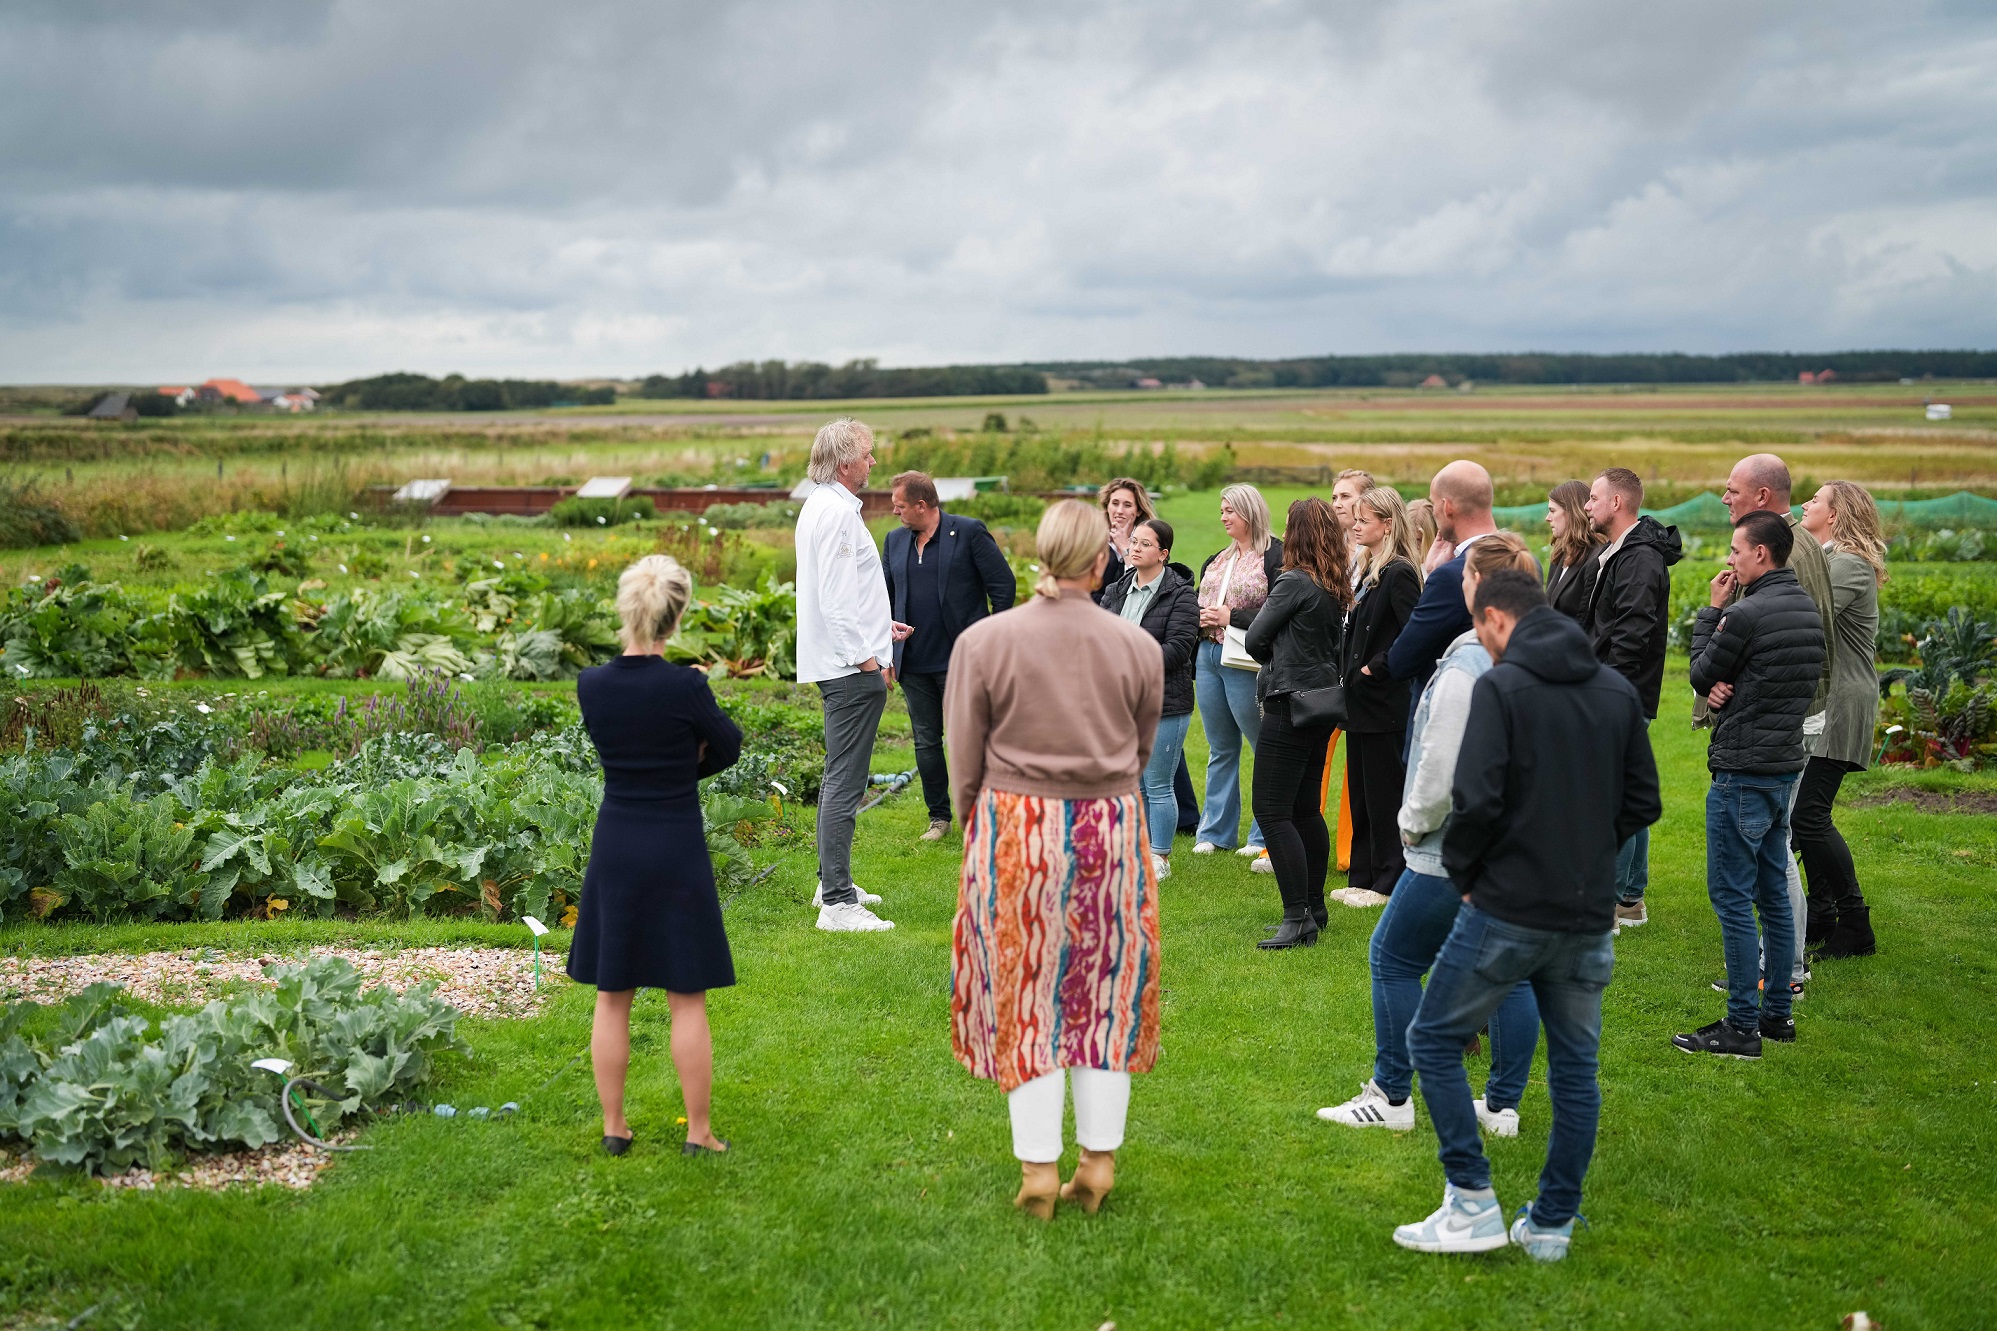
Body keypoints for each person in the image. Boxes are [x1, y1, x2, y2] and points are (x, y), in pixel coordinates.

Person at [1393, 568, 1660, 1262]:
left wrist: (1468, 875)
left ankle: (1471, 1201)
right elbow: (1641, 802)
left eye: (1482, 632)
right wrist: (1588, 849)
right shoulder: (1614, 689)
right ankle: (1550, 1224)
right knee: (1575, 1070)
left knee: (1430, 1038)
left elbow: (1474, 800)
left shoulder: (1502, 687)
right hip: (1585, 910)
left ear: (1494, 621)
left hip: (1506, 905)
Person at [946, 500, 1165, 1220]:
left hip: (1017, 826)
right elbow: (1139, 749)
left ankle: (1039, 1169)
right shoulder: (1135, 645)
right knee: (1106, 989)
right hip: (1110, 825)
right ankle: (1097, 1161)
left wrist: (977, 813)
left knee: (1024, 988)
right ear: (1100, 561)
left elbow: (964, 758)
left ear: (1038, 555)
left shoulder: (984, 640)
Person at [1318, 536, 1544, 1139]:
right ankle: (1501, 1108)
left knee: (1391, 957)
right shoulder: (1537, 653)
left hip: (1454, 850)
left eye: (1462, 571)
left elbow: (1440, 770)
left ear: (1478, 586)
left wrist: (1410, 824)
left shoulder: (1468, 663)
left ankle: (1391, 1095)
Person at [569, 555, 743, 1157]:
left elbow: (621, 744)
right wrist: (687, 758)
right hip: (674, 841)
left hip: (617, 839)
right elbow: (728, 747)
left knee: (612, 993)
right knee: (685, 993)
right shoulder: (687, 686)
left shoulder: (592, 685)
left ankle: (614, 1128)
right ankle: (698, 1133)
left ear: (625, 608)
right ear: (678, 613)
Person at [1674, 511, 1826, 1058]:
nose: (1730, 559)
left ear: (1761, 553)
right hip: (1784, 763)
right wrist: (1728, 690)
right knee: (1772, 897)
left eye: (1736, 550)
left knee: (1734, 899)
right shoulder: (1805, 609)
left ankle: (1740, 1027)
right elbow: (1777, 683)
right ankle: (1777, 1016)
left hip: (1742, 770)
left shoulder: (1744, 612)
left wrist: (1711, 611)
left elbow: (1699, 672)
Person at [1707, 454, 1835, 996]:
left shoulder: (1790, 552)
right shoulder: (1785, 545)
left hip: (1774, 726)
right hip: (1774, 718)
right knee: (1772, 848)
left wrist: (1723, 676)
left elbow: (1789, 642)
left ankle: (1783, 972)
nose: (1723, 496)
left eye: (1732, 488)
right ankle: (1781, 974)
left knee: (1769, 857)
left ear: (1762, 497)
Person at [794, 418, 896, 932]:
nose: (873, 462)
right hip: (848, 669)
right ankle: (836, 903)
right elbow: (835, 601)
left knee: (841, 777)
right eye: (867, 454)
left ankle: (831, 882)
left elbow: (841, 595)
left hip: (844, 660)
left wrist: (881, 628)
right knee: (846, 782)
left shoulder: (823, 507)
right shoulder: (835, 514)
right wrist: (867, 660)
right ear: (843, 461)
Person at [882, 470, 1017, 843]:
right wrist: (885, 655)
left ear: (921, 506)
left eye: (899, 506)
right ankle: (939, 818)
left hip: (963, 661)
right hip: (914, 663)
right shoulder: (894, 542)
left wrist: (992, 641)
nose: (894, 512)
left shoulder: (969, 532)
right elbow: (884, 601)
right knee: (926, 741)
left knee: (971, 739)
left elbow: (1003, 586)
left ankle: (983, 814)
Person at [1244, 498, 1353, 947]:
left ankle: (1297, 917)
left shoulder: (1293, 581)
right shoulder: (1334, 583)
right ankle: (1314, 907)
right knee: (1306, 809)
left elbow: (1255, 637)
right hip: (1322, 704)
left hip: (1289, 703)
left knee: (1271, 809)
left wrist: (1275, 658)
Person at [1582, 466, 1683, 929]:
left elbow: (1633, 631)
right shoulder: (1623, 550)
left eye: (1593, 498)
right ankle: (1628, 898)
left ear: (1617, 504)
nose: (1586, 506)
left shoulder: (1640, 557)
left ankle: (1609, 903)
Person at [1794, 481, 1886, 959]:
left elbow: (1805, 615)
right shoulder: (1829, 559)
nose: (1806, 504)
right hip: (1829, 700)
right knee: (1807, 815)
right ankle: (1822, 915)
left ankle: (1854, 922)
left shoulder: (1846, 564)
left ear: (1835, 514)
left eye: (1815, 500)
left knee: (1807, 815)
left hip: (1842, 702)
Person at [1336, 486, 1424, 908]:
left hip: (1385, 703)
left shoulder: (1400, 573)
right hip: (1361, 703)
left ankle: (1387, 880)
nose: (1355, 525)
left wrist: (1377, 667)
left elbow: (1416, 633)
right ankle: (1363, 875)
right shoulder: (1371, 571)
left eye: (1363, 519)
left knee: (1385, 793)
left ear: (1387, 525)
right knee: (1363, 792)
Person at [1099, 517, 1200, 882]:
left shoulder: (1182, 594)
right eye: (1133, 543)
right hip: (1122, 701)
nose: (1135, 548)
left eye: (1144, 543)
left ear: (1163, 554)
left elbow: (1177, 650)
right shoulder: (1117, 589)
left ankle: (1160, 857)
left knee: (1157, 783)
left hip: (1163, 702)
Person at [1192, 484, 1284, 864]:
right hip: (1209, 653)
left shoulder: (1274, 554)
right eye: (1222, 509)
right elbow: (1202, 594)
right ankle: (1216, 832)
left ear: (1249, 511)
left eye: (1230, 510)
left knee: (1261, 743)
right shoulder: (1219, 557)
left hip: (1246, 658)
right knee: (1220, 746)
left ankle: (1263, 832)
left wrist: (1233, 617)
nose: (1223, 516)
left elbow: (1281, 609)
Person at [1387, 461, 1505, 737]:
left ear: (1447, 506)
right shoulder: (1526, 563)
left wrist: (1430, 578)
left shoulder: (1451, 576)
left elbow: (1401, 660)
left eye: (1433, 503)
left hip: (1447, 722)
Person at [1543, 480, 1602, 625]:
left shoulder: (1596, 558)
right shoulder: (1560, 554)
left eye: (1552, 511)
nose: (1547, 518)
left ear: (1572, 513)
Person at [1095, 477, 1157, 604]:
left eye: (1127, 505)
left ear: (1138, 510)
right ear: (1107, 506)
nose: (1119, 511)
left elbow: (1146, 588)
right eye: (1115, 503)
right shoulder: (1093, 540)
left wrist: (1126, 548)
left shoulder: (1152, 543)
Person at [1331, 468, 1376, 536]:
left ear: (1367, 499)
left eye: (1345, 496)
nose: (1336, 504)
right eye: (1334, 498)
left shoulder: (1385, 545)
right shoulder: (1328, 543)